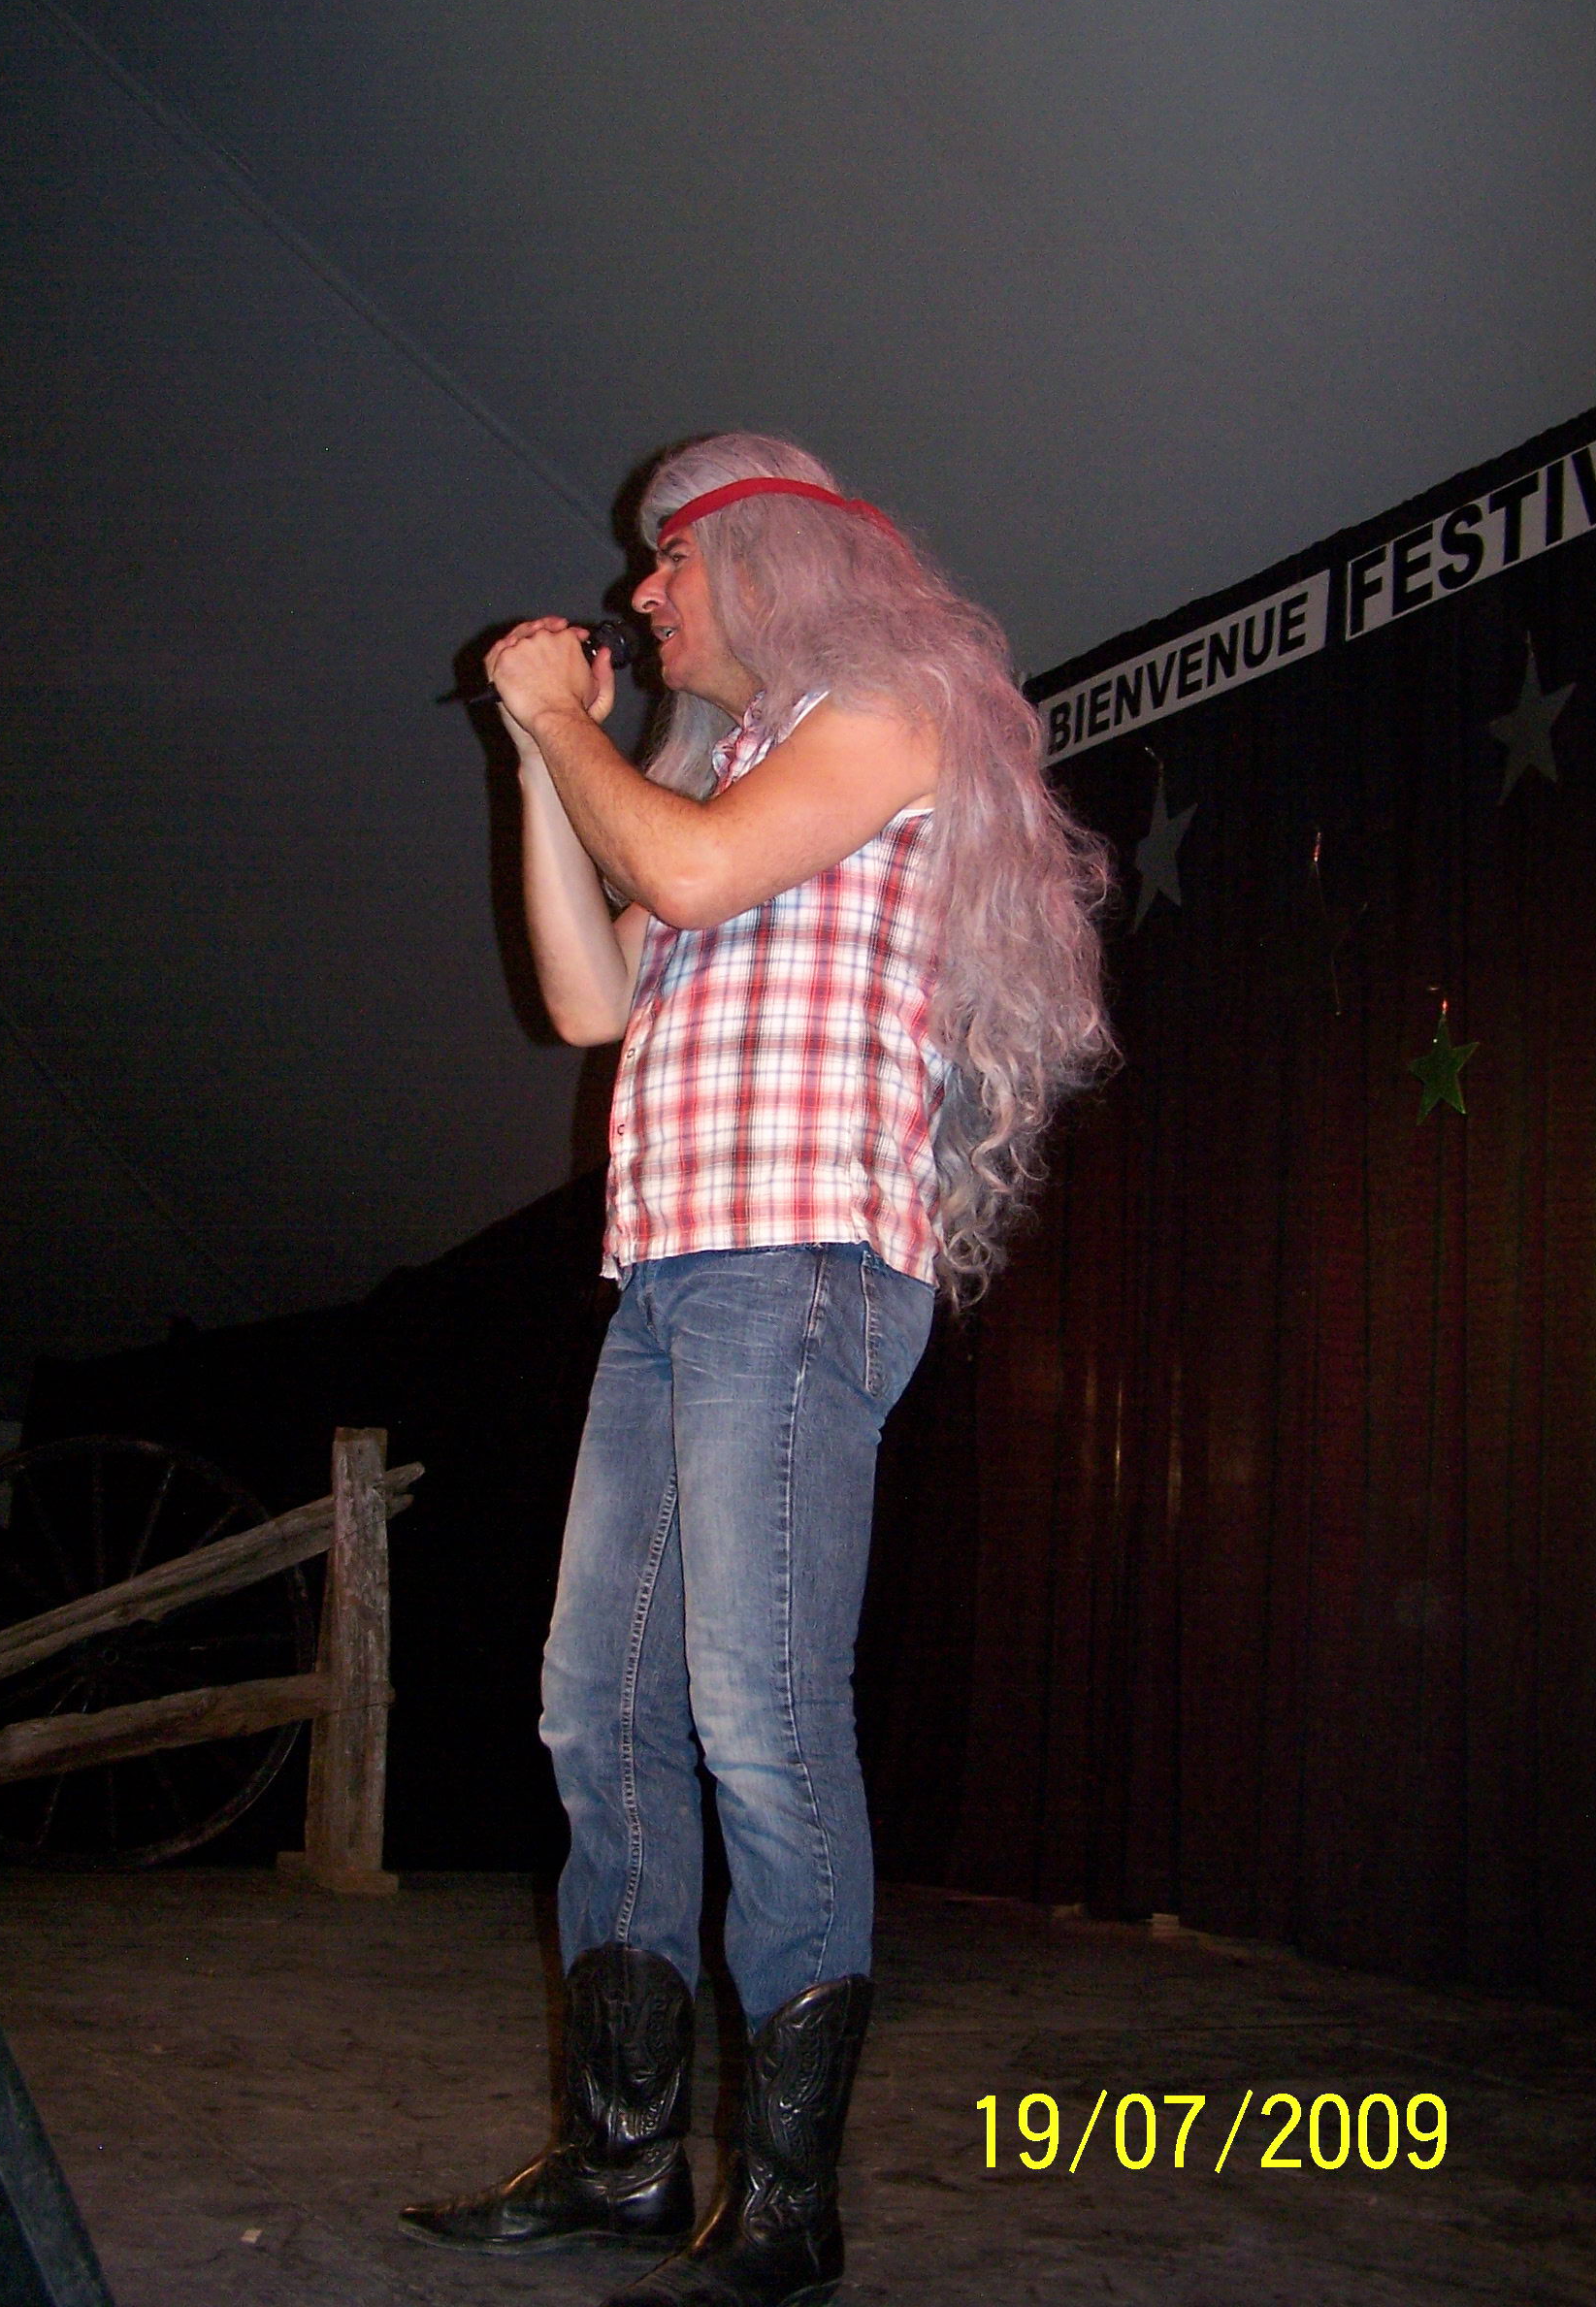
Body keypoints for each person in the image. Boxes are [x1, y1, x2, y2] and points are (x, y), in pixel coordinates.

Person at [399, 435, 1112, 2307]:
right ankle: (626, 2161)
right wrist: (539, 756)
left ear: (771, 559)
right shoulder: (722, 767)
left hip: (796, 1272)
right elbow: (588, 994)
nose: (641, 593)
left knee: (758, 1712)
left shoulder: (886, 715)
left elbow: (695, 878)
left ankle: (789, 2205)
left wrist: (572, 728)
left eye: (672, 562)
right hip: (673, 1278)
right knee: (595, 1709)